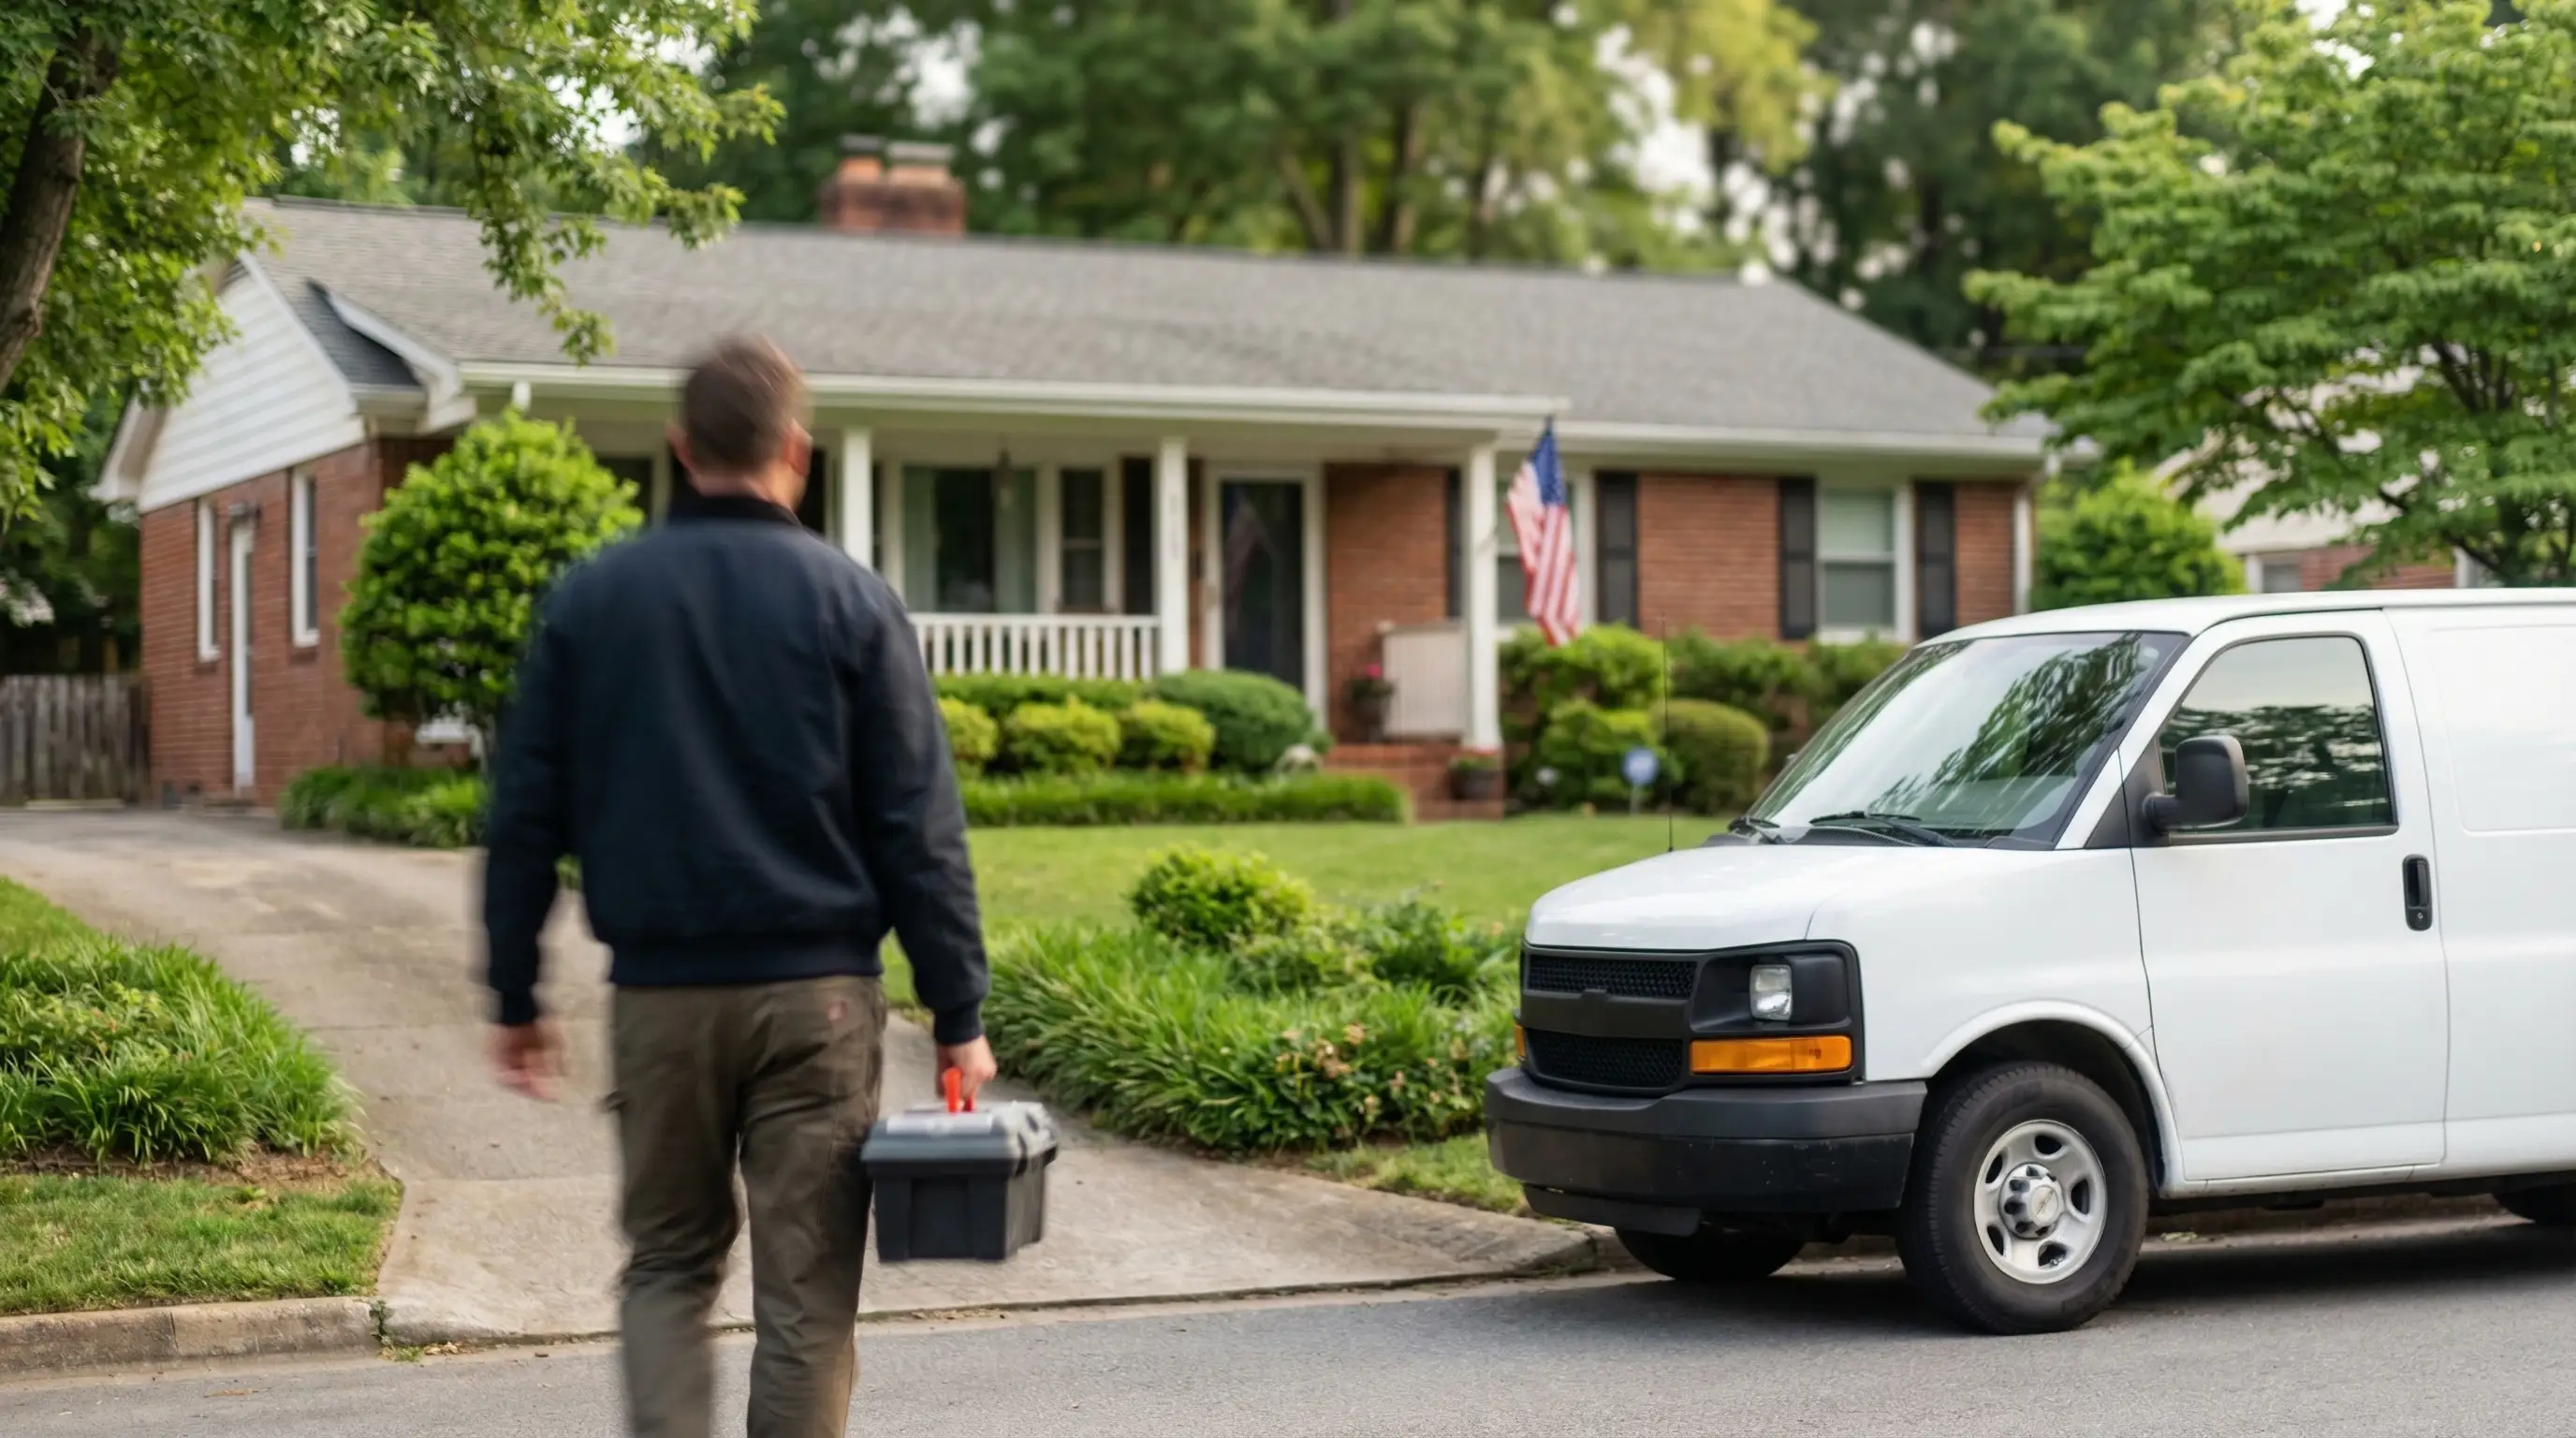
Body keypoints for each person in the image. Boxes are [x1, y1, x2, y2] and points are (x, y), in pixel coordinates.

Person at [479, 334, 995, 1438]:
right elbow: (916, 827)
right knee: (806, 1295)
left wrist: (514, 995)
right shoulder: (854, 604)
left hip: (661, 1002)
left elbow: (523, 816)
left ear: (679, 449)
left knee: (666, 1265)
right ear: (796, 454)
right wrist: (958, 1012)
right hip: (820, 1000)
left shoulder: (591, 603)